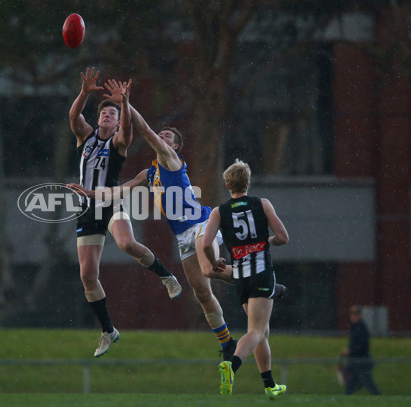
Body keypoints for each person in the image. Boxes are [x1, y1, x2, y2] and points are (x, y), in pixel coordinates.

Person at [69, 102, 241, 359]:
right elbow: (120, 189)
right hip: (183, 236)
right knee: (202, 293)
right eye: (162, 135)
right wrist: (90, 193)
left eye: (167, 137)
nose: (161, 137)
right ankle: (228, 343)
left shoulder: (171, 159)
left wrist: (125, 103)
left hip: (201, 223)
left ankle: (257, 277)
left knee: (209, 268)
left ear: (174, 147)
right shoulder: (148, 173)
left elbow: (146, 131)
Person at [69, 68, 182, 357]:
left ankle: (166, 275)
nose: (107, 116)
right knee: (87, 275)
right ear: (98, 119)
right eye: (104, 113)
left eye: (112, 114)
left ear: (118, 122)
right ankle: (108, 330)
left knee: (126, 244)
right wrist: (84, 92)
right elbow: (73, 117)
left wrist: (124, 103)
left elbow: (130, 130)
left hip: (111, 203)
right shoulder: (86, 138)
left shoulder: (118, 142)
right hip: (86, 209)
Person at [202, 159, 288, 399]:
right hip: (261, 271)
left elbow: (207, 243)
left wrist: (214, 261)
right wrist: (265, 243)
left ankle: (270, 385)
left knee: (263, 331)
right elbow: (283, 237)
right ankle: (232, 365)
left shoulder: (219, 211)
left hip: (240, 276)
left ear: (228, 185)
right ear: (247, 182)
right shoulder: (263, 204)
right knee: (257, 331)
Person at [342, 305, 380, 395]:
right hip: (357, 360)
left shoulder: (360, 327)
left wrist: (350, 351)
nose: (353, 316)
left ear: (360, 315)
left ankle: (378, 397)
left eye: (355, 314)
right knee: (352, 382)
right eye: (352, 314)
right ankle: (345, 397)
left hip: (361, 360)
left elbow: (363, 345)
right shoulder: (357, 327)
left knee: (368, 382)